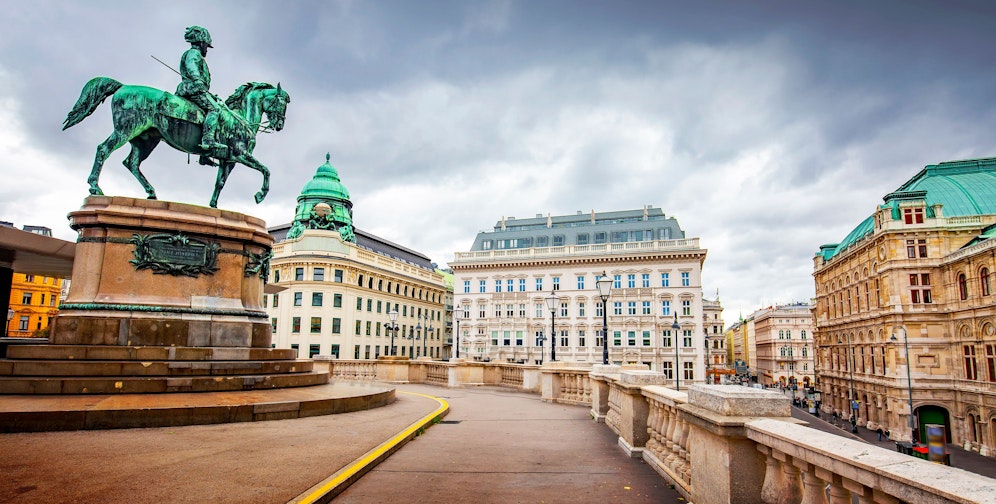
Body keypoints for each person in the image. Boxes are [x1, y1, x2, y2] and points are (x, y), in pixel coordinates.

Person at [175, 26, 226, 164]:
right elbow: (192, 67)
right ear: (202, 43)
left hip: (196, 88)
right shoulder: (193, 54)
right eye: (206, 46)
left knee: (207, 111)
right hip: (192, 88)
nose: (207, 50)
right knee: (214, 110)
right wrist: (197, 80)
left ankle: (204, 155)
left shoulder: (193, 54)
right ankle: (208, 140)